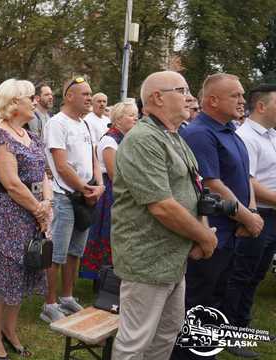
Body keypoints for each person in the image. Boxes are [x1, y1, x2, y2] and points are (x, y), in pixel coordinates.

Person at [111, 71, 218, 360]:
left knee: (166, 334)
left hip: (173, 258)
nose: (189, 97)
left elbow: (196, 192)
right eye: (181, 89)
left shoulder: (174, 136)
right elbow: (162, 205)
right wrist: (205, 237)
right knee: (135, 343)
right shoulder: (143, 139)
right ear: (157, 97)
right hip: (147, 260)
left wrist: (201, 233)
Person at [172, 73, 264, 359]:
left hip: (231, 233)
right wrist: (247, 218)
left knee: (215, 303)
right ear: (213, 100)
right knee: (197, 306)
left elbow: (243, 177)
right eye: (235, 95)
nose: (242, 100)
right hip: (209, 236)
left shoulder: (230, 131)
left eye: (241, 94)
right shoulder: (200, 133)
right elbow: (211, 183)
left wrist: (250, 212)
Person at [0, 79, 52, 359]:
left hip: (33, 213)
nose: (35, 102)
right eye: (30, 98)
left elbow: (43, 173)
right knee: (4, 276)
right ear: (13, 103)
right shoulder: (0, 135)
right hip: (9, 214)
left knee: (23, 272)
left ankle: (10, 330)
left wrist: (48, 204)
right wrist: (39, 209)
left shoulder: (31, 136)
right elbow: (12, 183)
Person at [41, 77, 104, 323]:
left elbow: (94, 158)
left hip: (85, 196)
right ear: (69, 96)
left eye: (90, 93)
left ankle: (67, 297)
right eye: (85, 94)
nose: (90, 98)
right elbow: (61, 165)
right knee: (57, 252)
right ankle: (49, 303)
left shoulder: (85, 124)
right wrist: (87, 189)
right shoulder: (58, 123)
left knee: (75, 251)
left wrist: (98, 185)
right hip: (65, 196)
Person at [224, 84, 276, 358]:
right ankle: (231, 332)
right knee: (240, 274)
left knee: (255, 274)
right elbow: (249, 182)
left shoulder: (271, 136)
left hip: (271, 215)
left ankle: (242, 326)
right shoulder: (247, 137)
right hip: (256, 214)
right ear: (262, 106)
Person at [79, 100, 138, 282]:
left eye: (136, 115)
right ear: (119, 119)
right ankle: (103, 277)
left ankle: (116, 275)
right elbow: (114, 174)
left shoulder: (126, 138)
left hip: (124, 189)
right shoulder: (110, 140)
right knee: (107, 232)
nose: (136, 119)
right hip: (112, 193)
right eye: (131, 115)